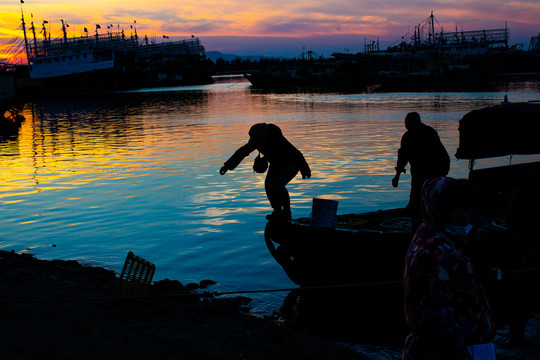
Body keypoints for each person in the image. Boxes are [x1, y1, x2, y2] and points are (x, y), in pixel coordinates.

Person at [403, 177, 495, 360]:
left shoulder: (439, 236)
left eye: (467, 207)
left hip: (470, 343)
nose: (464, 214)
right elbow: (439, 318)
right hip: (453, 351)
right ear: (439, 209)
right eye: (455, 208)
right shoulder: (433, 252)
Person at [219, 123, 311, 219]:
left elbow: (296, 153)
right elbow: (242, 152)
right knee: (268, 185)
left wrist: (305, 169)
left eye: (258, 140)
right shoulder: (255, 142)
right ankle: (277, 210)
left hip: (291, 163)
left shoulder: (279, 140)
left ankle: (286, 212)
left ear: (265, 137)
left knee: (278, 185)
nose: (257, 142)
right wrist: (227, 166)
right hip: (276, 164)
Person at [392, 112, 450, 227]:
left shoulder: (430, 133)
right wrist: (397, 176)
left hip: (434, 173)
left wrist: (442, 175)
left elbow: (443, 157)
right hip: (417, 176)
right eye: (406, 124)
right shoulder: (407, 137)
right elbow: (402, 158)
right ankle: (416, 225)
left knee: (434, 201)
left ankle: (436, 224)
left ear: (417, 123)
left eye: (409, 124)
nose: (407, 127)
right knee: (414, 203)